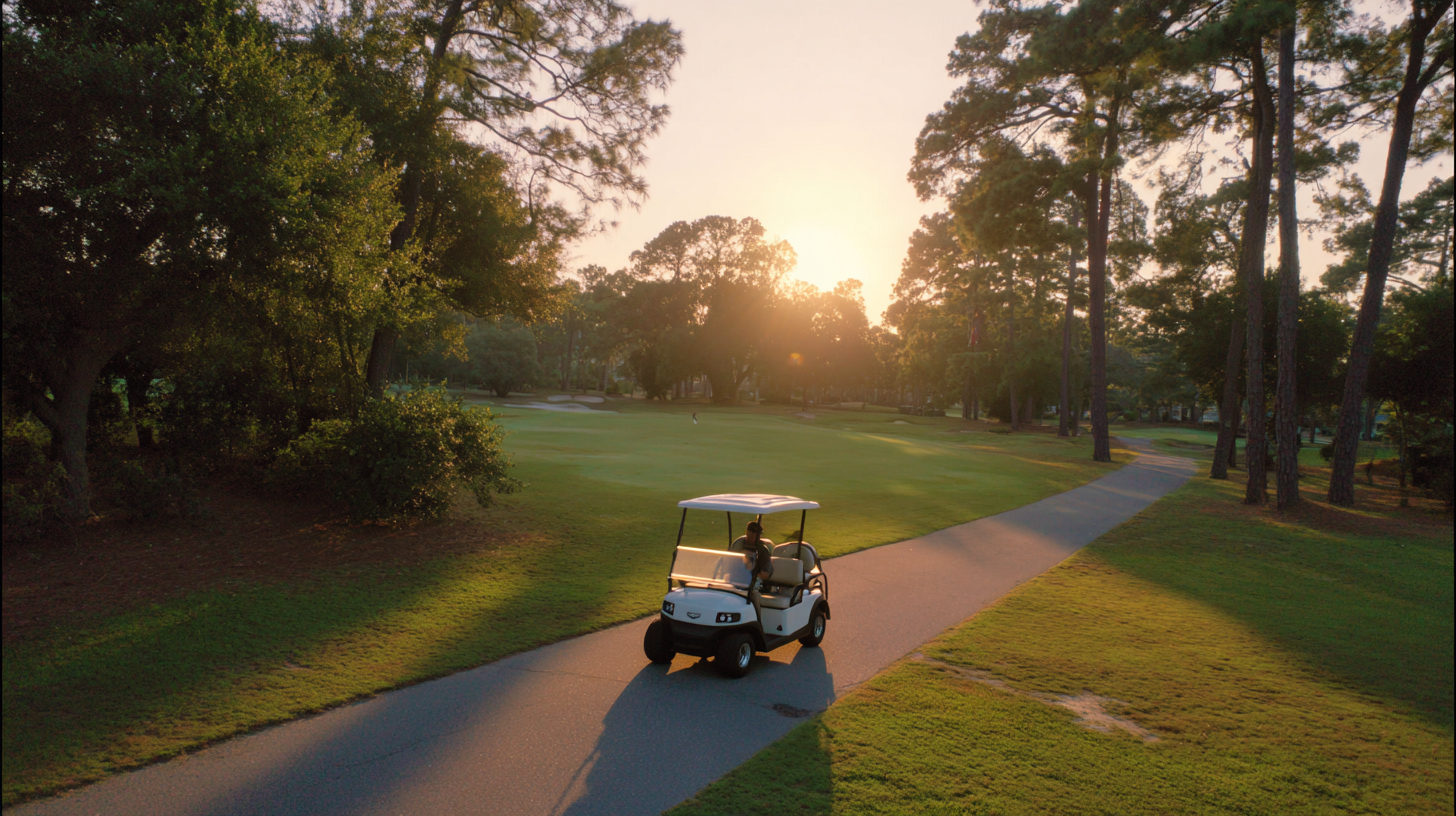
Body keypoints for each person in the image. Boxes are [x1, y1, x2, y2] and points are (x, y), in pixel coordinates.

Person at [736, 521, 774, 618]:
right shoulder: (739, 545)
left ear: (758, 536)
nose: (749, 539)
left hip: (754, 579)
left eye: (752, 537)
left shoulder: (762, 550)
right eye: (748, 536)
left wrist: (753, 570)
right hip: (737, 577)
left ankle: (756, 618)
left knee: (751, 592)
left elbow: (766, 573)